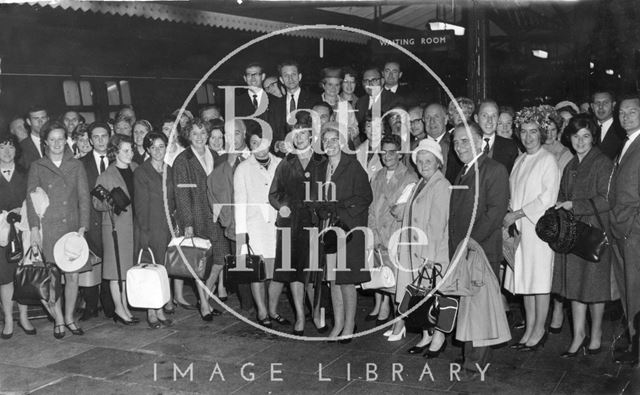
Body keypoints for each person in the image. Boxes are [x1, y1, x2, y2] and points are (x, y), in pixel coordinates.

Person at [449, 121, 510, 368]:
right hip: (464, 249)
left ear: (479, 142)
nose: (459, 147)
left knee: (481, 308)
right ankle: (470, 354)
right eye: (455, 143)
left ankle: (476, 362)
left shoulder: (494, 169)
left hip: (480, 250)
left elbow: (495, 213)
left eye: (465, 141)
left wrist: (471, 241)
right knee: (470, 305)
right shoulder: (463, 170)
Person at [551, 114, 613, 357]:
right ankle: (578, 335)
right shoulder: (571, 165)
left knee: (594, 288)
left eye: (586, 136)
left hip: (594, 233)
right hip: (573, 234)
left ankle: (596, 334)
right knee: (574, 286)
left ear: (593, 137)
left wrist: (573, 205)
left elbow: (607, 199)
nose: (580, 141)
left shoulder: (602, 162)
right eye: (576, 136)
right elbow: (563, 194)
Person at [27, 121, 90, 338]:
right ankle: (59, 319)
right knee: (52, 278)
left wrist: (83, 226)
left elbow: (84, 198)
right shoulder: (38, 166)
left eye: (61, 139)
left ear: (66, 140)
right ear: (45, 142)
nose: (57, 143)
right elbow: (32, 199)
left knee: (72, 277)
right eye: (52, 139)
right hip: (49, 229)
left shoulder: (76, 166)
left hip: (72, 229)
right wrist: (34, 228)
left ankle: (70, 316)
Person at [503, 106, 560, 351]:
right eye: (524, 131)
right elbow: (514, 193)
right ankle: (528, 329)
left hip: (539, 230)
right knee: (524, 281)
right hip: (521, 230)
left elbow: (547, 198)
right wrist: (510, 211)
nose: (528, 137)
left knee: (539, 282)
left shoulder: (547, 160)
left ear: (542, 133)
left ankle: (539, 330)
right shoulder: (519, 159)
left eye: (533, 131)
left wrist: (517, 213)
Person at [269, 116, 328, 334]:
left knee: (313, 273)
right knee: (293, 273)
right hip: (290, 224)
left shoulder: (322, 161)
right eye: (296, 134)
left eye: (304, 133)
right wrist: (282, 206)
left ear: (311, 136)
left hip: (313, 223)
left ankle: (316, 314)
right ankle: (300, 317)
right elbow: (273, 194)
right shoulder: (286, 162)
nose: (300, 138)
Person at [393, 138, 450, 355]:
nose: (424, 165)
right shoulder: (419, 183)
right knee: (420, 296)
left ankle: (438, 337)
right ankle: (426, 335)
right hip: (413, 251)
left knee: (434, 297)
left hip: (430, 252)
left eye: (429, 161)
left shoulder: (441, 185)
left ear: (438, 162)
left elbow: (437, 224)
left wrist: (429, 257)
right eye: (420, 161)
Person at [317, 123, 372, 341]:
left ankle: (350, 325)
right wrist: (321, 208)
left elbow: (365, 198)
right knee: (332, 278)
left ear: (341, 143)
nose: (329, 144)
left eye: (333, 140)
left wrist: (339, 209)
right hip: (329, 229)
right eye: (326, 140)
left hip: (349, 230)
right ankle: (338, 324)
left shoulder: (353, 166)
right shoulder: (322, 168)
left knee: (347, 280)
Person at [234, 132, 289, 328]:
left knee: (278, 272)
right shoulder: (242, 169)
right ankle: (262, 311)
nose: (260, 146)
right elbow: (239, 204)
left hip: (278, 225)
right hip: (254, 227)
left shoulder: (282, 164)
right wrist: (242, 234)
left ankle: (273, 310)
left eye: (263, 142)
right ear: (250, 145)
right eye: (254, 143)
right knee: (257, 272)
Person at [173, 119, 224, 320]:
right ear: (188, 136)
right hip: (197, 216)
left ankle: (205, 298)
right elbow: (182, 195)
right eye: (195, 134)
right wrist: (188, 224)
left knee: (220, 260)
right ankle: (204, 304)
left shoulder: (214, 155)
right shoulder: (182, 160)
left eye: (203, 133)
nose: (200, 137)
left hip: (217, 217)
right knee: (201, 264)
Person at [367, 135, 417, 328]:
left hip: (396, 239)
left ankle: (400, 323)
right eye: (383, 151)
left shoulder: (409, 178)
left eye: (391, 152)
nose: (386, 156)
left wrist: (390, 239)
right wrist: (373, 235)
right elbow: (371, 209)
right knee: (385, 281)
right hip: (379, 239)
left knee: (399, 284)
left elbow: (402, 213)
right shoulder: (377, 176)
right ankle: (392, 317)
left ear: (400, 153)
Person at [207, 119, 253, 313]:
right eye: (229, 134)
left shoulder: (257, 155)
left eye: (236, 133)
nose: (232, 138)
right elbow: (214, 192)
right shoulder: (220, 160)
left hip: (258, 221)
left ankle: (265, 304)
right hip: (236, 222)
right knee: (241, 264)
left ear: (244, 134)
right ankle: (247, 305)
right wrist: (227, 220)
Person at [93, 134, 139, 325]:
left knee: (126, 270)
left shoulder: (136, 169)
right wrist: (111, 202)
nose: (130, 154)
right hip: (115, 227)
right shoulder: (106, 175)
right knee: (115, 271)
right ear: (115, 152)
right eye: (126, 151)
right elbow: (97, 203)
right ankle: (119, 309)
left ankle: (126, 306)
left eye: (131, 150)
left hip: (133, 226)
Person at [608, 94, 640, 365]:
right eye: (622, 113)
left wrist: (633, 225)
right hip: (621, 230)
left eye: (632, 112)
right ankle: (633, 342)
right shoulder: (627, 143)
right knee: (628, 291)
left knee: (636, 292)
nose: (625, 116)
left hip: (633, 233)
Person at [133, 132, 174, 328]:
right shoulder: (141, 172)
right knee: (152, 269)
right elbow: (140, 206)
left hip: (167, 227)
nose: (158, 151)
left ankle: (160, 307)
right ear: (147, 150)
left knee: (163, 269)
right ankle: (151, 311)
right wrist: (144, 232)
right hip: (150, 226)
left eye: (161, 146)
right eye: (154, 147)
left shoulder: (170, 169)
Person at [0, 134, 35, 339]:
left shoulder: (25, 173)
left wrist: (20, 211)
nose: (6, 152)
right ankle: (8, 319)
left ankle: (24, 316)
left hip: (23, 230)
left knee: (22, 274)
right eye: (2, 147)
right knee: (5, 278)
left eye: (10, 147)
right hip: (1, 234)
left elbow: (33, 200)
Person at [78, 122, 114, 321]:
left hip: (113, 219)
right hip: (91, 219)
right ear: (90, 140)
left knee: (110, 260)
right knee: (91, 263)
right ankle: (91, 305)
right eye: (96, 137)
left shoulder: (119, 159)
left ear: (110, 137)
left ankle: (109, 303)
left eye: (104, 136)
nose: (100, 140)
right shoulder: (81, 163)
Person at [475, 99, 519, 174]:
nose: (490, 120)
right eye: (485, 115)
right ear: (476, 118)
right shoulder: (465, 144)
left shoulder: (510, 147)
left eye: (494, 116)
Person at [319, 67, 359, 140]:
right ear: (323, 85)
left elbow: (355, 127)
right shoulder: (317, 104)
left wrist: (351, 132)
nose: (333, 88)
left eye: (337, 85)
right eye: (330, 84)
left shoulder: (346, 105)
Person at [591, 90, 626, 160]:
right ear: (592, 106)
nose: (600, 107)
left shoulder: (623, 130)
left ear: (613, 105)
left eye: (605, 103)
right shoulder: (588, 128)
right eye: (597, 103)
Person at [20, 106, 49, 170]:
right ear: (28, 122)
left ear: (48, 119)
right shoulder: (22, 147)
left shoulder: (58, 142)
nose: (40, 122)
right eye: (36, 119)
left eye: (43, 118)